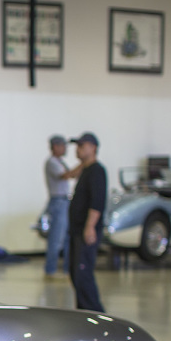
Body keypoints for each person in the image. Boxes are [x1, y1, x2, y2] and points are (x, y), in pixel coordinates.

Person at [67, 132, 107, 312]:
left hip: (86, 231)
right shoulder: (85, 169)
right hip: (76, 230)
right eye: (77, 146)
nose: (78, 149)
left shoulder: (97, 171)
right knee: (75, 273)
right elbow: (69, 174)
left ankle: (96, 314)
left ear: (94, 148)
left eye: (82, 146)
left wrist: (90, 226)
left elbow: (97, 202)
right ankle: (84, 312)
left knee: (83, 275)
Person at [42, 135, 81, 277]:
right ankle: (50, 270)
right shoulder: (52, 162)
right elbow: (66, 175)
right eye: (63, 146)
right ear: (55, 147)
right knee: (56, 238)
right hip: (58, 202)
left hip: (65, 201)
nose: (65, 149)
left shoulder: (60, 162)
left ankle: (67, 269)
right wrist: (84, 163)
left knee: (66, 238)